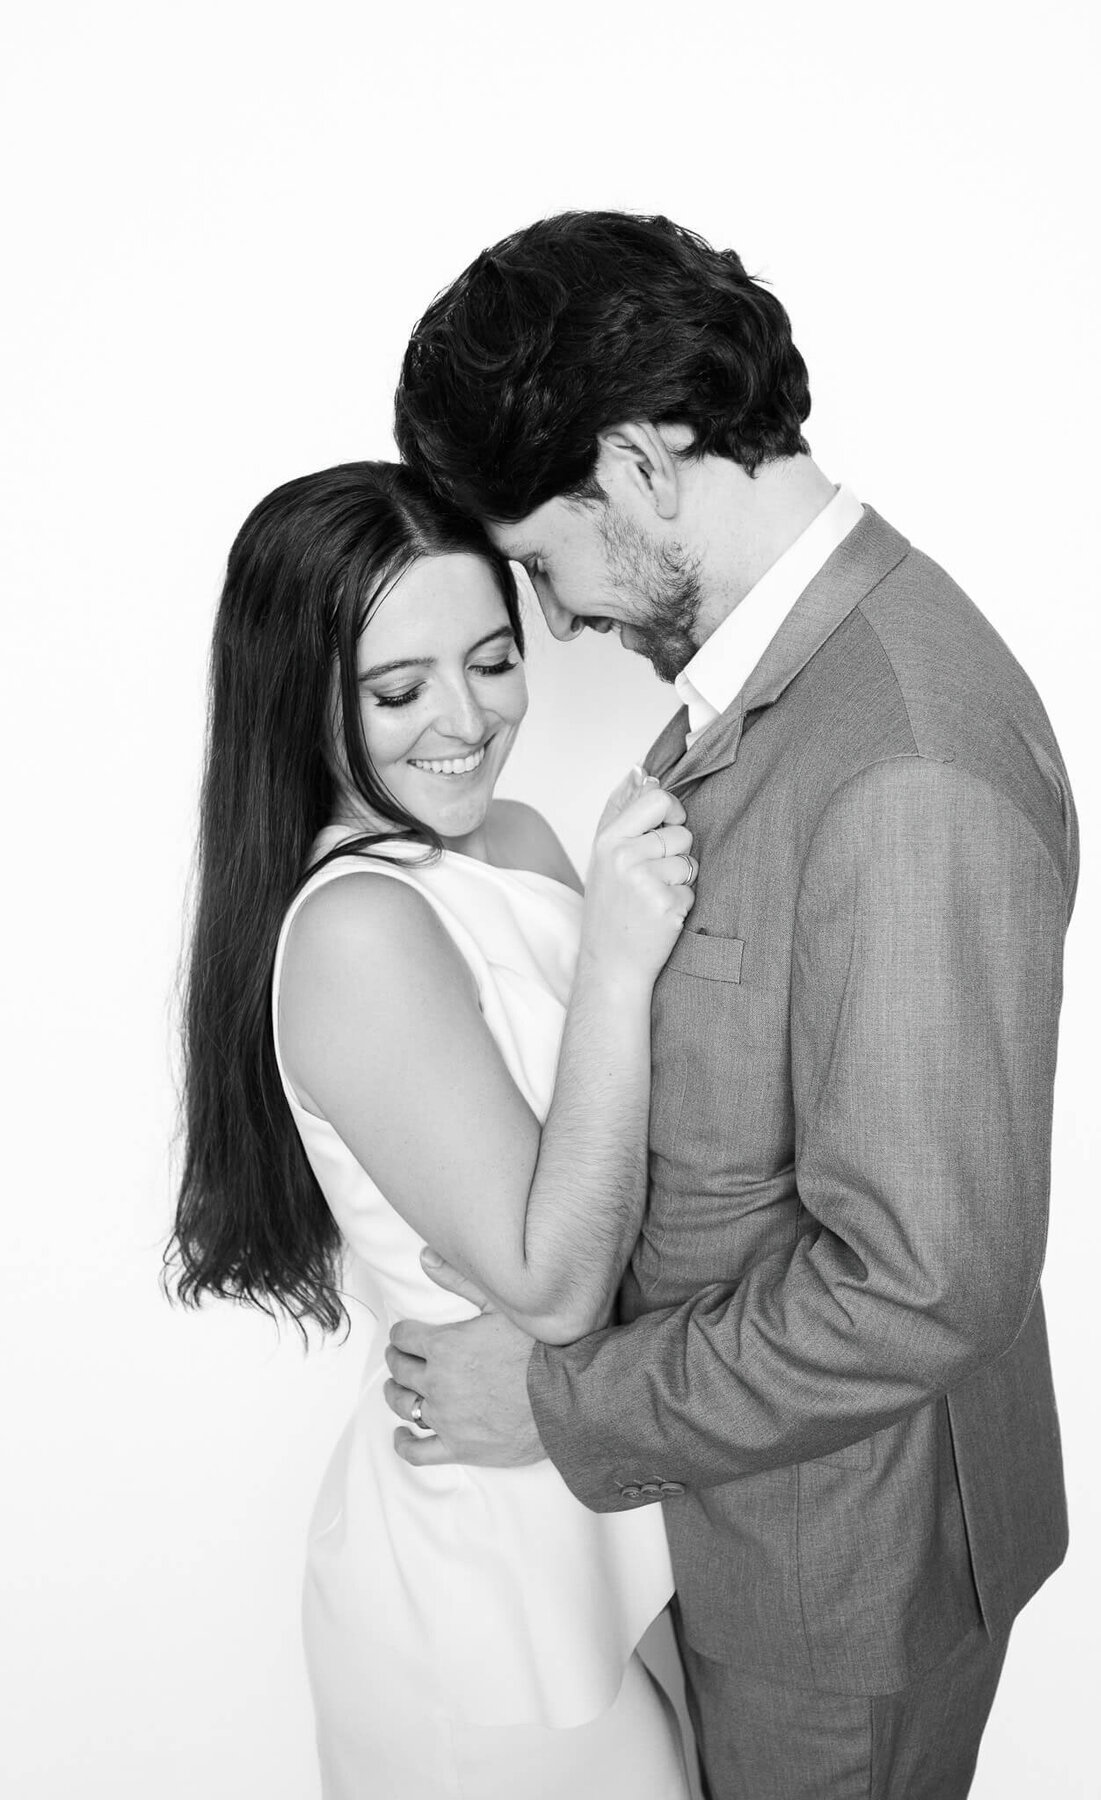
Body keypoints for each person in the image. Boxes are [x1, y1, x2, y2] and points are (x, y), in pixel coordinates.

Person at [384, 212, 1079, 1799]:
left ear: (635, 462)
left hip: (841, 1594)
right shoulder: (784, 684)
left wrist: (560, 1403)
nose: (555, 625)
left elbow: (918, 1286)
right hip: (756, 1542)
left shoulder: (904, 761)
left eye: (545, 564)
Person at [168, 461, 697, 1799]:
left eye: (494, 661)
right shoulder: (352, 929)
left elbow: (650, 1159)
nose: (465, 722)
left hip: (604, 1492)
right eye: (398, 691)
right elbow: (560, 1274)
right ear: (306, 701)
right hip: (482, 1568)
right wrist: (624, 968)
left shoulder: (511, 841)